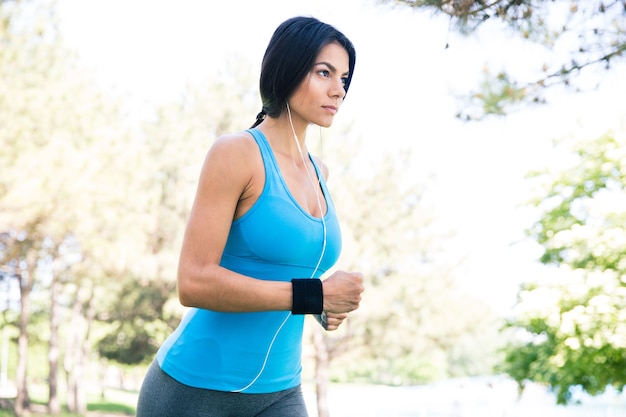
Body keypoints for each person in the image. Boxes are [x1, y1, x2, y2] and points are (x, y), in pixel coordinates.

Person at [136, 15, 364, 417]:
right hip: (194, 389)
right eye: (324, 72)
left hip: (281, 391)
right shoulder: (236, 153)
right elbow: (193, 281)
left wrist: (324, 304)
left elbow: (283, 274)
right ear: (287, 68)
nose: (338, 89)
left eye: (344, 78)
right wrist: (313, 295)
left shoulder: (320, 173)